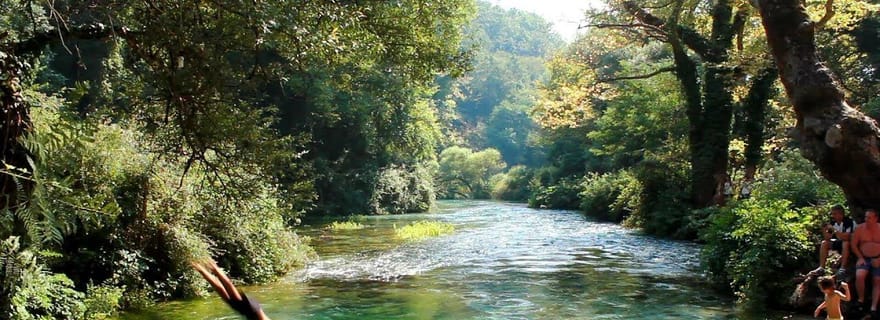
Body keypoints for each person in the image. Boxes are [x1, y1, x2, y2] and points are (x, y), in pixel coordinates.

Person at [191, 259, 271, 320]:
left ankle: (200, 267)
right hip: (251, 310)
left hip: (248, 311)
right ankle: (211, 266)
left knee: (221, 290)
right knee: (228, 288)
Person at [810, 205, 855, 276]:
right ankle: (821, 267)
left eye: (834, 214)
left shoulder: (849, 222)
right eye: (832, 214)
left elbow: (846, 237)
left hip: (851, 245)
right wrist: (824, 230)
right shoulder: (833, 222)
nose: (833, 216)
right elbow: (828, 238)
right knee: (824, 243)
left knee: (845, 243)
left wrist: (834, 230)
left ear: (840, 213)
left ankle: (842, 268)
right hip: (839, 243)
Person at [851, 209, 880, 313]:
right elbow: (853, 244)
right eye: (865, 217)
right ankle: (861, 300)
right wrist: (860, 257)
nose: (866, 219)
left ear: (876, 218)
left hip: (878, 258)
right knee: (860, 275)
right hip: (864, 257)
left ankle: (874, 307)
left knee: (877, 280)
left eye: (869, 217)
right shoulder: (860, 228)